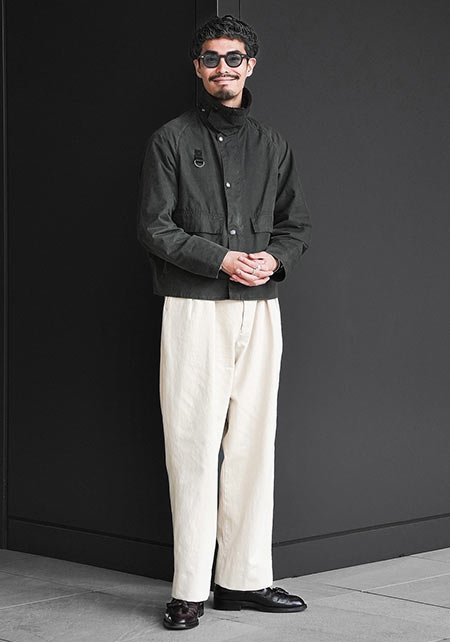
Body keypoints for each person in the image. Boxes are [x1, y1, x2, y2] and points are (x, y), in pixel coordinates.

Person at [137, 14, 312, 631]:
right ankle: (189, 588)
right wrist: (221, 259)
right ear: (197, 67)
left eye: (233, 58)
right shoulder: (170, 140)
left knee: (253, 443)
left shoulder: (273, 144)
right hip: (195, 306)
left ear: (250, 66)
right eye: (211, 58)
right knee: (191, 444)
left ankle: (244, 580)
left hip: (260, 308)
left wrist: (274, 259)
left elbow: (296, 226)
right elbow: (154, 227)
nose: (222, 68)